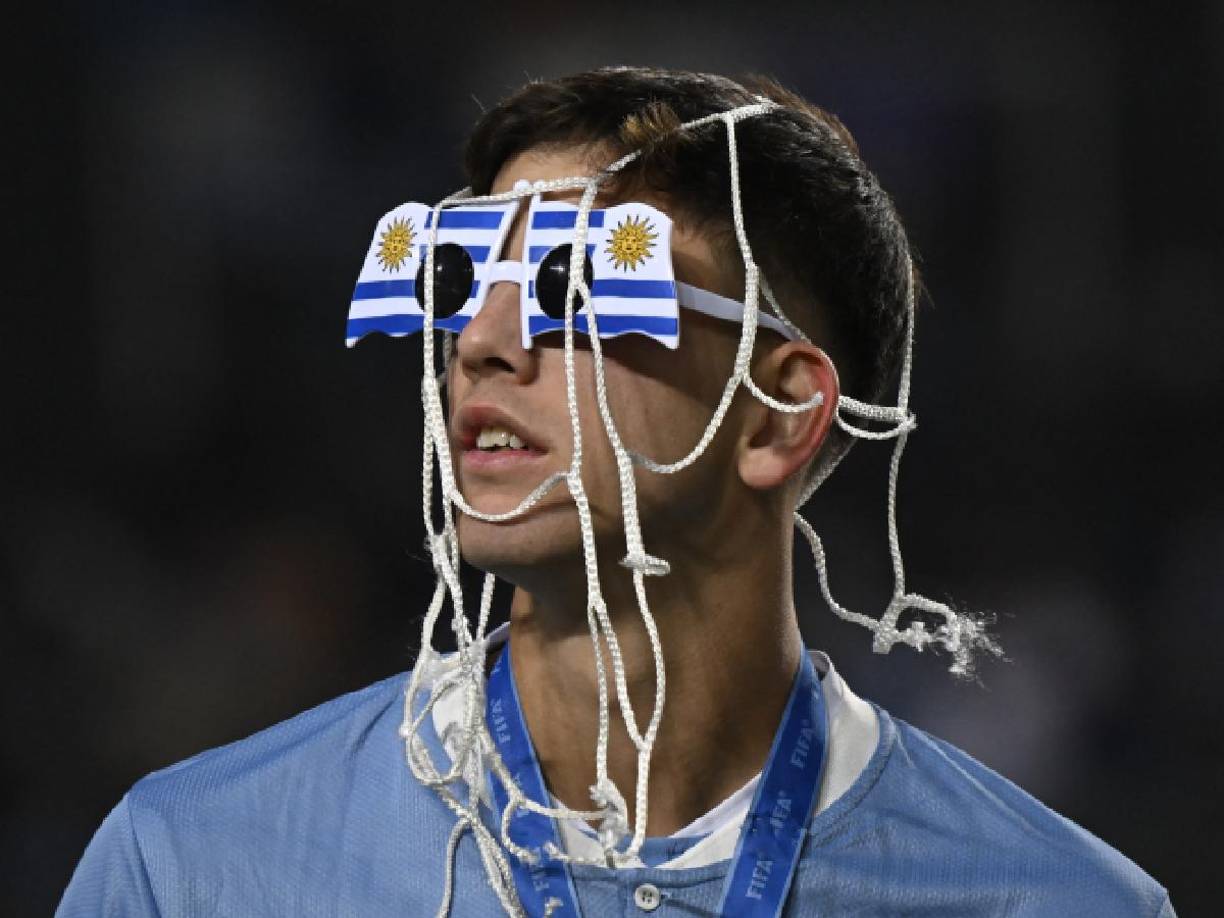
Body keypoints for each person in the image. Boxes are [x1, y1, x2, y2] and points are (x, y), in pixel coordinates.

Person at [58, 67, 1175, 917]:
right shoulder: (194, 866)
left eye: (578, 285)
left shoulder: (1055, 901)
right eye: (463, 280)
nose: (483, 344)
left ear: (779, 412)